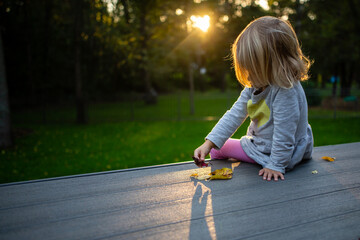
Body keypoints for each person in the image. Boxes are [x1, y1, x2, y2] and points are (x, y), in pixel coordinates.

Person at [193, 16, 314, 181]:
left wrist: (275, 165)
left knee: (219, 150)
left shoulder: (286, 91)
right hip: (272, 147)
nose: (248, 75)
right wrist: (208, 143)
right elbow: (234, 114)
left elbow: (284, 134)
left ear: (273, 64)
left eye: (252, 68)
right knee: (214, 147)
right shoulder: (256, 85)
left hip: (281, 153)